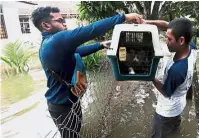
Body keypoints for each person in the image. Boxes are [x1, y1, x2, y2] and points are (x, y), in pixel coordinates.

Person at [31, 6, 142, 138]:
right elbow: (91, 30)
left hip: (70, 99)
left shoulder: (49, 44)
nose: (64, 23)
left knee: (76, 131)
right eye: (60, 20)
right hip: (63, 106)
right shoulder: (56, 40)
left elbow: (76, 52)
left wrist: (100, 45)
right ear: (46, 25)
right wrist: (123, 17)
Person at [143, 18, 197, 138]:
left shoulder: (177, 70)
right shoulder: (191, 47)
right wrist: (148, 22)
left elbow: (166, 92)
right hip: (179, 104)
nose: (166, 42)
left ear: (181, 40)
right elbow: (168, 25)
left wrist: (150, 76)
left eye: (169, 39)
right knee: (174, 130)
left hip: (166, 111)